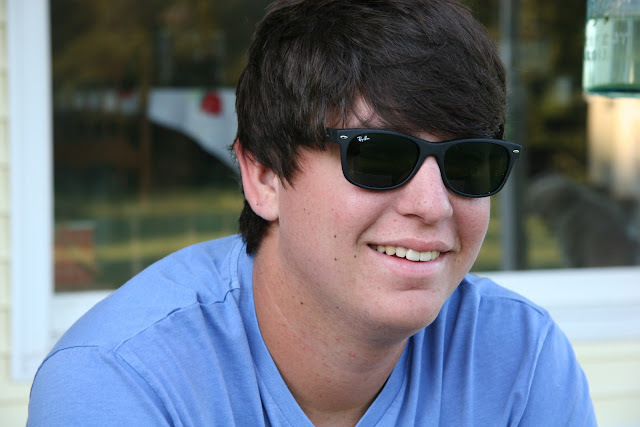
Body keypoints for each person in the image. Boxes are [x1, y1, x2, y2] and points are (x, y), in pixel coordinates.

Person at [28, 0, 596, 425]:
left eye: (469, 162)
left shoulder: (520, 360)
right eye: (378, 156)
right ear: (263, 176)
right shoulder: (119, 383)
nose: (432, 205)